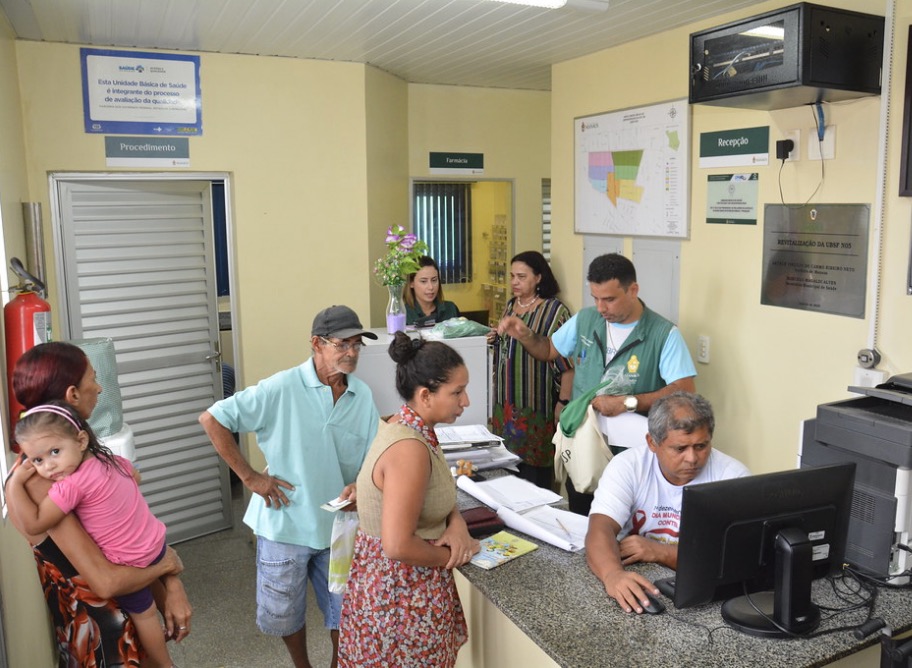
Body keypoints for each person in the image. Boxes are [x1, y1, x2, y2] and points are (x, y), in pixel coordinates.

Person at [199, 304, 380, 668]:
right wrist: (250, 477)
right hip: (286, 524)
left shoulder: (362, 396)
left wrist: (361, 484)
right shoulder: (282, 387)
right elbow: (213, 418)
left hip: (339, 528)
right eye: (342, 344)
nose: (351, 352)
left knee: (346, 611)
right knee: (283, 612)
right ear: (316, 343)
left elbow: (374, 456)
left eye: (357, 344)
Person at [6, 341, 191, 668]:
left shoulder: (79, 461)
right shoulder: (45, 480)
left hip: (119, 610)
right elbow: (107, 580)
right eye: (93, 377)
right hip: (105, 627)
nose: (100, 386)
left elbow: (132, 534)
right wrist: (168, 568)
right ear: (72, 394)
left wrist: (170, 585)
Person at [498, 252, 697, 514]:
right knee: (583, 518)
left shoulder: (663, 334)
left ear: (633, 290)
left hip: (632, 453)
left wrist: (628, 403)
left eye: (610, 299)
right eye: (596, 298)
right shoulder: (586, 319)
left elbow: (684, 391)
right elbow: (548, 350)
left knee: (627, 525)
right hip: (585, 448)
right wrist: (525, 335)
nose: (601, 308)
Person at [339, 332, 479, 667]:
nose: (466, 401)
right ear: (425, 395)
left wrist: (456, 523)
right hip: (401, 600)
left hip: (394, 592)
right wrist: (453, 554)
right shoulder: (409, 449)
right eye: (457, 392)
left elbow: (435, 493)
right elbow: (398, 545)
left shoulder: (405, 423)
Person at [585, 392, 749, 614]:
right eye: (680, 449)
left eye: (701, 446)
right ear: (652, 442)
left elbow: (739, 559)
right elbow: (600, 529)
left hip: (702, 598)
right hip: (637, 579)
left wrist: (661, 552)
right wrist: (612, 575)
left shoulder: (733, 477)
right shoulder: (627, 466)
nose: (692, 458)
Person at [490, 251, 573, 489]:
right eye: (512, 276)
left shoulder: (555, 312)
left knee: (535, 481)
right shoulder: (510, 306)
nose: (514, 282)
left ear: (538, 278)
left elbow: (567, 365)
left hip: (538, 407)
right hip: (506, 407)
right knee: (506, 477)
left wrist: (563, 403)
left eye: (521, 276)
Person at [403, 255, 460, 325]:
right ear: (411, 283)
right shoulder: (403, 313)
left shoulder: (451, 309)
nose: (431, 287)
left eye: (434, 280)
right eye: (423, 281)